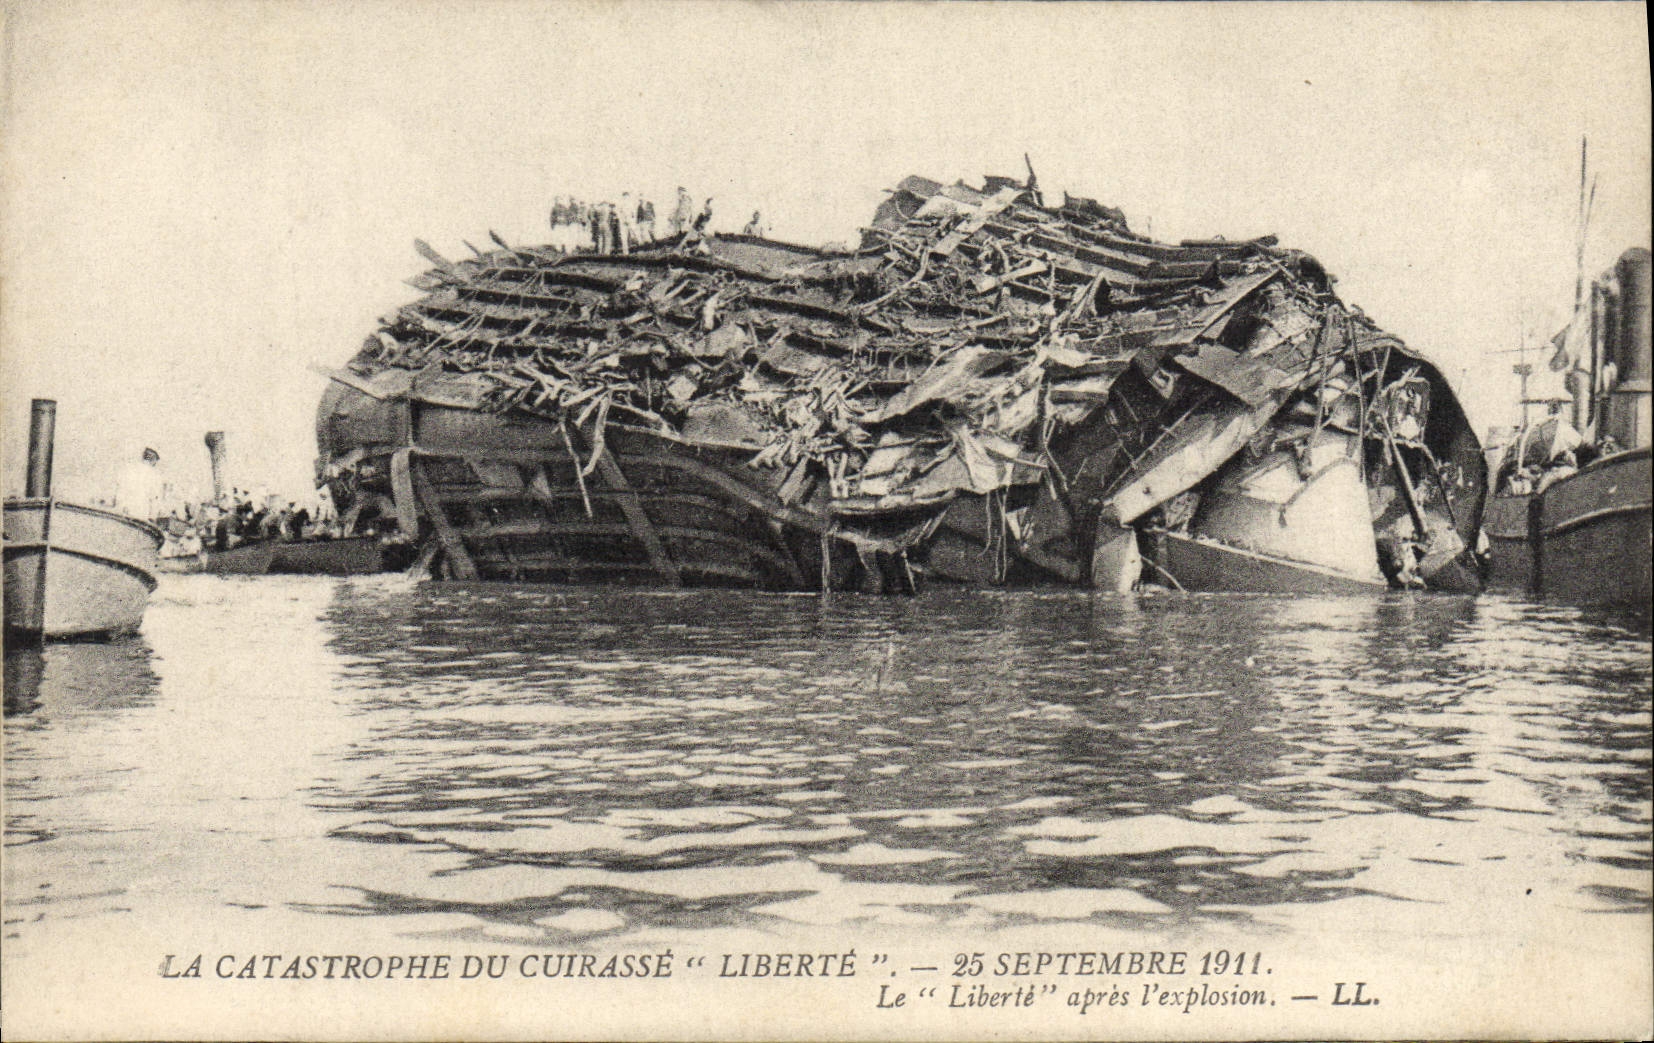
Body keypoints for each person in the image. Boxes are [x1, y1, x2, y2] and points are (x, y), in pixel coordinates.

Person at [116, 447, 166, 522]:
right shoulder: (155, 476)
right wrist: (152, 518)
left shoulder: (130, 469)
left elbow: (120, 491)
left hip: (123, 513)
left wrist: (121, 507)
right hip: (141, 515)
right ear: (153, 460)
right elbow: (155, 498)